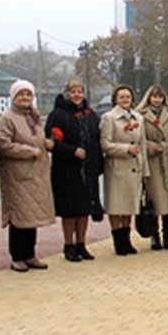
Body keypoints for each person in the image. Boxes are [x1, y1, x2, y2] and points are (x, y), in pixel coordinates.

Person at [0, 80, 56, 272]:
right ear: (13, 97)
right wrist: (28, 151)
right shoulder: (7, 119)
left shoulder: (34, 118)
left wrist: (46, 143)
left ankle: (30, 254)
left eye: (28, 94)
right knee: (19, 217)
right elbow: (4, 144)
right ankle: (17, 256)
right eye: (21, 94)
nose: (25, 98)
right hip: (17, 175)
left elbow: (37, 139)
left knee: (32, 215)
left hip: (35, 174)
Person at [45, 80, 103, 262]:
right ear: (66, 94)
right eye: (73, 91)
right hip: (66, 170)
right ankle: (68, 245)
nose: (77, 95)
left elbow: (97, 140)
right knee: (70, 210)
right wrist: (72, 151)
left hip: (87, 170)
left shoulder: (90, 114)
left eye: (80, 91)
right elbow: (51, 143)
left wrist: (97, 165)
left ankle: (81, 244)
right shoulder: (57, 115)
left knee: (84, 209)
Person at [100, 85, 148, 256]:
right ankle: (118, 241)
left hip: (134, 168)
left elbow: (142, 144)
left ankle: (127, 240)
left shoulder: (138, 118)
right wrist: (126, 149)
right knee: (116, 206)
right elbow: (105, 145)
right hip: (117, 168)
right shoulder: (109, 118)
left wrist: (145, 171)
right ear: (115, 99)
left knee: (129, 206)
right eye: (121, 97)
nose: (125, 100)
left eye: (128, 97)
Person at [136, 84, 168, 250]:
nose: (157, 100)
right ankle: (154, 235)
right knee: (154, 198)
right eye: (154, 97)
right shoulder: (140, 116)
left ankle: (167, 235)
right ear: (148, 98)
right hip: (153, 159)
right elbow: (138, 138)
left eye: (160, 97)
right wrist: (149, 147)